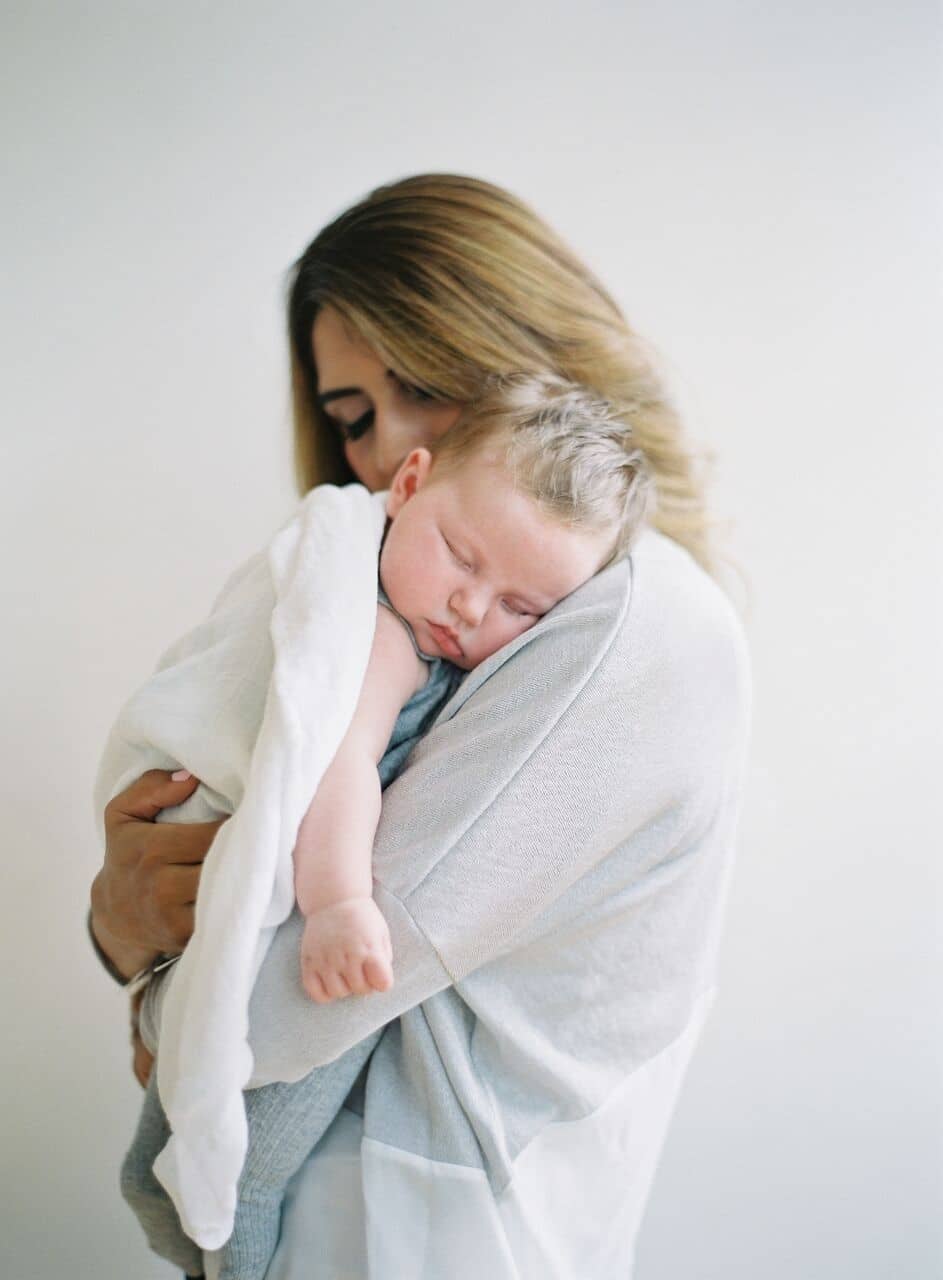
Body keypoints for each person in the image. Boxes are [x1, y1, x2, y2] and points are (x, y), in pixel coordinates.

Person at [89, 173, 750, 1279]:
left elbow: (323, 966)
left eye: (426, 383)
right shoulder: (397, 614)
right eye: (352, 419)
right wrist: (130, 919)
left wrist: (148, 970)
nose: (390, 446)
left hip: (413, 1218)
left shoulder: (634, 620)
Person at [116, 375, 653, 1277]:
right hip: (327, 933)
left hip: (324, 973)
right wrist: (335, 904)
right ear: (406, 487)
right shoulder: (378, 638)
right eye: (460, 557)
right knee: (230, 1161)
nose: (469, 610)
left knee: (219, 1161)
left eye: (523, 608)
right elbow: (338, 765)